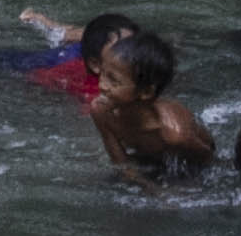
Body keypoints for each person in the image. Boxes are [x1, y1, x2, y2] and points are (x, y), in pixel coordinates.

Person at [90, 30, 217, 182]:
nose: (102, 85)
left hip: (191, 158)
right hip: (150, 158)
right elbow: (121, 164)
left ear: (146, 92)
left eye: (114, 81)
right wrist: (152, 191)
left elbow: (209, 161)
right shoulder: (101, 111)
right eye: (103, 73)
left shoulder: (174, 134)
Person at [1, 7, 138, 105]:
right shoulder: (94, 91)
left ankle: (49, 25)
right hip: (66, 58)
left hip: (88, 54)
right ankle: (48, 25)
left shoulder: (135, 58)